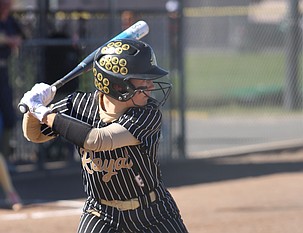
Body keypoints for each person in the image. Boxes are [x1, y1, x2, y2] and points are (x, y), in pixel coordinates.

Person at [20, 39, 188, 232]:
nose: (150, 86)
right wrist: (32, 108)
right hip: (101, 213)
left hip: (152, 212)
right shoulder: (79, 106)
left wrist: (43, 112)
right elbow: (34, 134)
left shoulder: (147, 113)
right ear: (118, 85)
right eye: (143, 79)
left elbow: (97, 140)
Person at [0, 0, 23, 210]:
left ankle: (10, 192)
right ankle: (10, 192)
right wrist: (7, 39)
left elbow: (21, 36)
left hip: (3, 76)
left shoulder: (12, 21)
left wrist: (13, 40)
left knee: (9, 120)